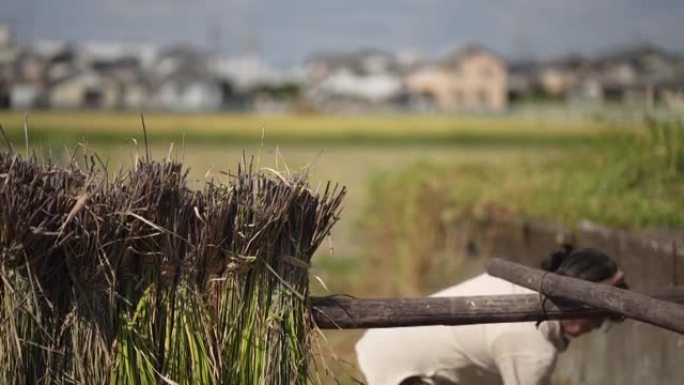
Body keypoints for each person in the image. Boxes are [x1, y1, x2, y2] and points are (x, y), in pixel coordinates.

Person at [355, 245, 628, 385]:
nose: (596, 326)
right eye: (597, 317)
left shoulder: (523, 283)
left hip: (383, 341)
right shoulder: (533, 348)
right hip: (394, 363)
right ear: (577, 303)